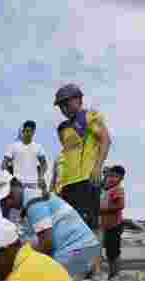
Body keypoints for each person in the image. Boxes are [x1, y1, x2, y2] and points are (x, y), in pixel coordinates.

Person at [0, 172, 102, 281]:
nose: (9, 202)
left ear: (17, 185)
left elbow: (47, 243)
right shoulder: (31, 199)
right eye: (4, 201)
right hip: (84, 250)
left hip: (77, 252)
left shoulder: (33, 202)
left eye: (10, 196)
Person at [53, 83, 111, 234]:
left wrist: (98, 167)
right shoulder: (63, 128)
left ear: (79, 99)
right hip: (67, 185)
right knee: (70, 228)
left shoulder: (89, 116)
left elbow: (105, 140)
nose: (64, 108)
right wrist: (58, 186)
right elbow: (66, 156)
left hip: (87, 179)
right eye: (61, 105)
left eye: (67, 102)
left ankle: (96, 258)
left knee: (91, 226)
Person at [3, 120, 48, 194]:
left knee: (33, 204)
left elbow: (44, 165)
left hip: (34, 184)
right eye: (27, 131)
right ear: (23, 131)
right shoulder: (13, 146)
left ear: (34, 132)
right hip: (18, 185)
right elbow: (4, 165)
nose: (28, 133)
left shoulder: (38, 147)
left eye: (31, 131)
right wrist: (12, 179)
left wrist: (40, 176)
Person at [99, 165, 126, 278]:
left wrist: (102, 210)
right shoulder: (105, 189)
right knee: (104, 250)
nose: (112, 178)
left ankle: (114, 274)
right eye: (110, 176)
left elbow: (120, 205)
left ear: (121, 179)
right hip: (104, 226)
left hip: (114, 226)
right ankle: (110, 273)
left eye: (116, 176)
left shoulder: (117, 189)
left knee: (113, 252)